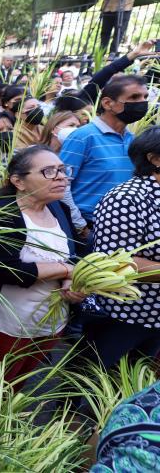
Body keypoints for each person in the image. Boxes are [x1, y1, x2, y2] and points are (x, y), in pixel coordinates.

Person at [0, 145, 80, 385]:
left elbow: (72, 252)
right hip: (10, 323)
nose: (61, 176)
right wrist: (66, 270)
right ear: (18, 181)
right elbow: (8, 270)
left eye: (62, 169)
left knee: (22, 377)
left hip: (52, 322)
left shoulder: (60, 209)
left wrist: (72, 279)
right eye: (48, 171)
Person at [83, 126, 160, 368]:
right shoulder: (126, 199)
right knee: (97, 385)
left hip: (156, 317)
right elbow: (118, 263)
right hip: (129, 316)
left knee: (140, 392)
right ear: (155, 159)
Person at [59, 75, 148, 227]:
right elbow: (62, 184)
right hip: (91, 226)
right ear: (107, 103)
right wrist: (80, 226)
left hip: (125, 225)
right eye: (134, 97)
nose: (142, 102)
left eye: (145, 97)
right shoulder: (83, 137)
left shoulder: (133, 139)